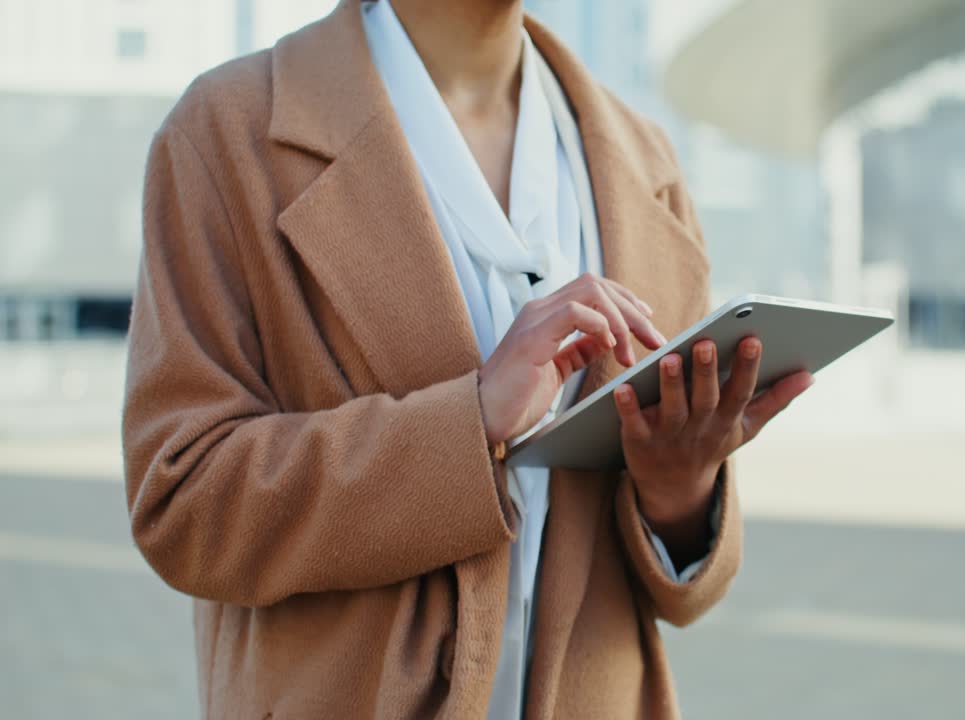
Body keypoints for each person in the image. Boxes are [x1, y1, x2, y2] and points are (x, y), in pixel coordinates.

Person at [122, 0, 814, 717]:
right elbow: (182, 502)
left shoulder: (645, 160)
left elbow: (685, 589)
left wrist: (679, 492)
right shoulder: (228, 131)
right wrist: (471, 419)